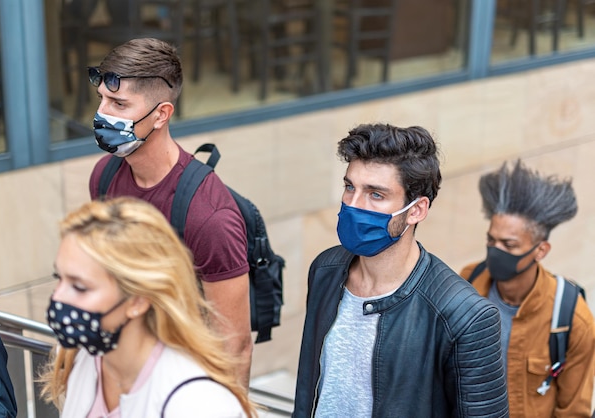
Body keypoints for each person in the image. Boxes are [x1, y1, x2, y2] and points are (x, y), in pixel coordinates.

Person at [293, 123, 509, 417]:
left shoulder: (464, 315)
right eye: (349, 187)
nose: (353, 205)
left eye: (376, 194)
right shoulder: (325, 270)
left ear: (416, 210)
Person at [87, 38, 252, 387]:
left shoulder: (209, 215)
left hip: (180, 385)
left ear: (161, 114)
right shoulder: (103, 176)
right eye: (101, 99)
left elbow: (234, 345)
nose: (103, 114)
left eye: (118, 103)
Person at [40, 197, 257, 417]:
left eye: (79, 287)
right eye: (59, 278)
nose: (58, 297)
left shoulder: (198, 404)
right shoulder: (80, 355)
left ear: (138, 300)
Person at [460, 159, 595, 417]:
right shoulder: (468, 282)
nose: (495, 251)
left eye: (509, 245)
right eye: (491, 240)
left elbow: (574, 411)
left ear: (540, 251)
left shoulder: (573, 320)